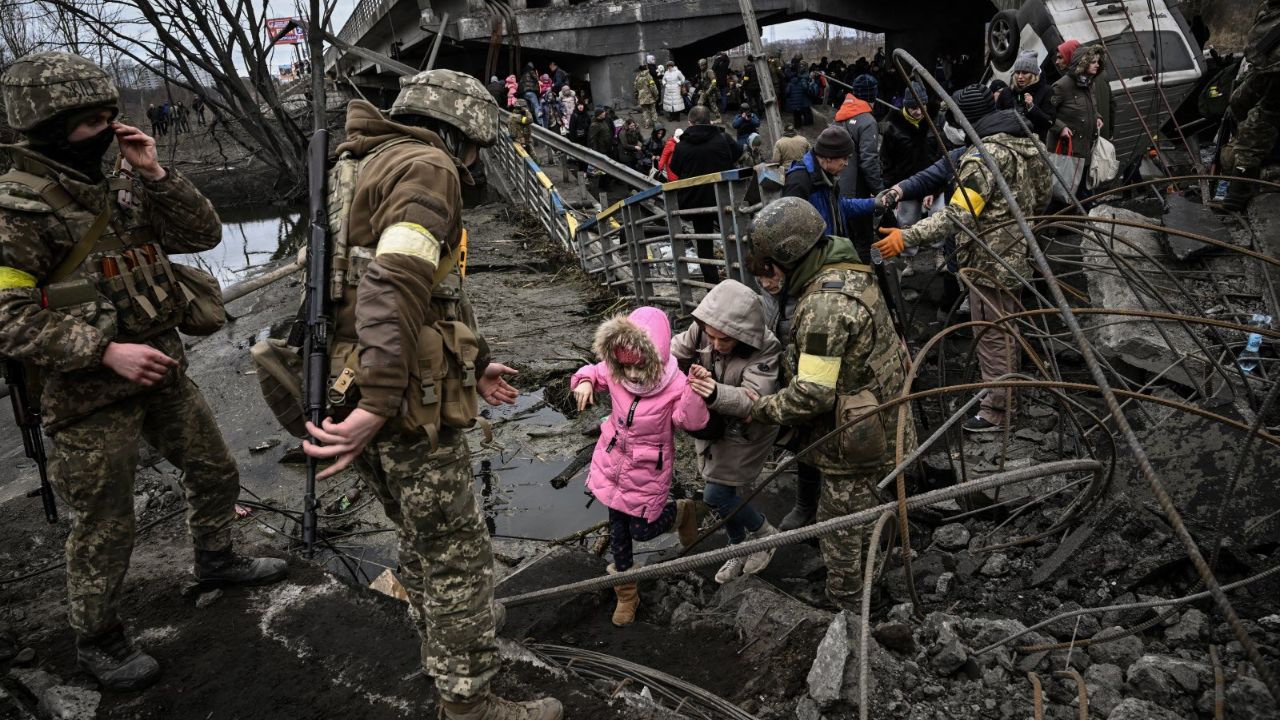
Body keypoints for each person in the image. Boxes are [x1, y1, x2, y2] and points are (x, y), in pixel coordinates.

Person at [0, 51, 287, 691]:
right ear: (47, 127)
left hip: (162, 370)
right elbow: (7, 314)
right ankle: (98, 640)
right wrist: (103, 351)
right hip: (88, 396)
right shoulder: (18, 211)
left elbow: (204, 234)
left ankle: (216, 562)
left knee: (215, 470)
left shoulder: (118, 186)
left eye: (110, 116)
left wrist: (155, 172)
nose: (105, 130)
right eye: (90, 121)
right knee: (105, 522)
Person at [300, 69, 562, 720]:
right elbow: (393, 283)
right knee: (458, 551)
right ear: (459, 132)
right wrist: (380, 401)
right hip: (397, 392)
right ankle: (469, 702)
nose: (473, 165)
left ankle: (445, 619)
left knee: (421, 530)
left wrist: (478, 365)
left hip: (354, 372)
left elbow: (414, 290)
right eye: (475, 148)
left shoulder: (359, 162)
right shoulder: (427, 167)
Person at [746, 197, 914, 612]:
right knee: (868, 503)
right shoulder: (847, 265)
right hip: (886, 416)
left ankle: (849, 603)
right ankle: (871, 569)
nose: (764, 281)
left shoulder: (824, 306)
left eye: (766, 269)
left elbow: (813, 394)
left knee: (837, 521)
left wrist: (756, 409)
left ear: (790, 257)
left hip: (856, 436)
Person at [874, 84, 1054, 432]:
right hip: (1018, 255)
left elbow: (957, 216)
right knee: (1007, 327)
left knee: (990, 333)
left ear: (964, 119)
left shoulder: (982, 159)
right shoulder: (1027, 143)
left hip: (989, 262)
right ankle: (1008, 395)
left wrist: (906, 236)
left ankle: (996, 413)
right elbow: (1044, 195)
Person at [571, 307, 709, 625]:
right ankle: (627, 595)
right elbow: (593, 370)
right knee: (619, 532)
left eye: (639, 366)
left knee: (642, 530)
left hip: (648, 471)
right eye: (625, 366)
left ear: (656, 357)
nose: (631, 374)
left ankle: (682, 512)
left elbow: (691, 422)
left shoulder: (675, 385)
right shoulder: (617, 370)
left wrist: (693, 391)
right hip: (612, 463)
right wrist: (585, 381)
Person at [670, 280, 781, 583]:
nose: (716, 345)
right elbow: (670, 353)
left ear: (743, 334)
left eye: (725, 340)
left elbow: (754, 399)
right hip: (711, 425)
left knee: (716, 493)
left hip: (747, 432)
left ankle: (765, 535)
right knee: (723, 491)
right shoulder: (703, 329)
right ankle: (738, 545)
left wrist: (714, 391)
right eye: (712, 336)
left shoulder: (766, 347)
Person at [669, 105, 740, 284]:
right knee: (736, 236)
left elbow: (674, 168)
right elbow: (738, 153)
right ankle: (741, 279)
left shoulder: (682, 146)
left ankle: (712, 285)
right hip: (725, 197)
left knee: (704, 244)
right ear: (710, 121)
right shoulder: (723, 138)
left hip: (697, 201)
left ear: (690, 122)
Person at [1223, 0, 1280, 211]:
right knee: (1259, 116)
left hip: (1267, 73)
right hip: (1268, 73)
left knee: (1260, 118)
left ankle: (1237, 192)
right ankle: (1238, 191)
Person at [782, 126, 881, 240]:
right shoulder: (799, 181)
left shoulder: (826, 176)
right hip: (820, 255)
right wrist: (826, 246)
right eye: (844, 158)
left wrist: (873, 203)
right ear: (829, 158)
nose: (846, 163)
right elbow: (792, 229)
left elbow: (839, 207)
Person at [835, 78, 884, 262]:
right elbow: (869, 161)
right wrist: (880, 191)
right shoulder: (867, 120)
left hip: (839, 189)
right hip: (858, 192)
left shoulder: (839, 117)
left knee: (846, 240)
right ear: (873, 95)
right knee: (864, 241)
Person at [881, 81, 942, 227]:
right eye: (913, 108)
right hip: (906, 184)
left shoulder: (936, 121)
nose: (919, 112)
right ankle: (907, 250)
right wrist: (891, 190)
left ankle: (936, 250)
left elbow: (942, 155)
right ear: (906, 106)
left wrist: (936, 189)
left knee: (938, 221)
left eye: (922, 107)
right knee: (906, 223)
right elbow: (887, 161)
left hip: (935, 182)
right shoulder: (893, 127)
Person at [1048, 43, 1105, 197]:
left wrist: (1097, 117)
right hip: (1067, 153)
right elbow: (1046, 112)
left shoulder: (1089, 84)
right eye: (1093, 62)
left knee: (1082, 192)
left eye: (1098, 62)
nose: (1097, 65)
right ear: (1083, 63)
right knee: (1063, 194)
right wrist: (1060, 128)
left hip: (1085, 150)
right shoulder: (1062, 86)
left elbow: (1089, 106)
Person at [1006, 51, 1056, 139]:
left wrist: (1032, 108)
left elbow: (1049, 122)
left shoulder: (1046, 91)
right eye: (1017, 72)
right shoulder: (1007, 92)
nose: (1020, 76)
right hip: (1009, 143)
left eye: (1025, 72)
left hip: (1034, 146)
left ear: (1033, 74)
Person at [634, 64, 659, 129]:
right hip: (650, 96)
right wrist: (656, 94)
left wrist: (636, 96)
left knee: (645, 111)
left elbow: (635, 88)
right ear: (646, 68)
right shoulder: (649, 76)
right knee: (653, 110)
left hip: (641, 97)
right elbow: (652, 86)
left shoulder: (637, 77)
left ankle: (646, 124)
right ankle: (655, 123)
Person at [697, 58, 721, 123]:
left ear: (705, 65)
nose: (700, 67)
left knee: (713, 105)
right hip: (705, 90)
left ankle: (719, 118)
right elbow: (704, 82)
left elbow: (714, 82)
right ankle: (701, 117)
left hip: (711, 91)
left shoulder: (709, 71)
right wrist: (701, 90)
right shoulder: (702, 72)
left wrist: (709, 90)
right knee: (699, 103)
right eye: (700, 65)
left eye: (702, 65)